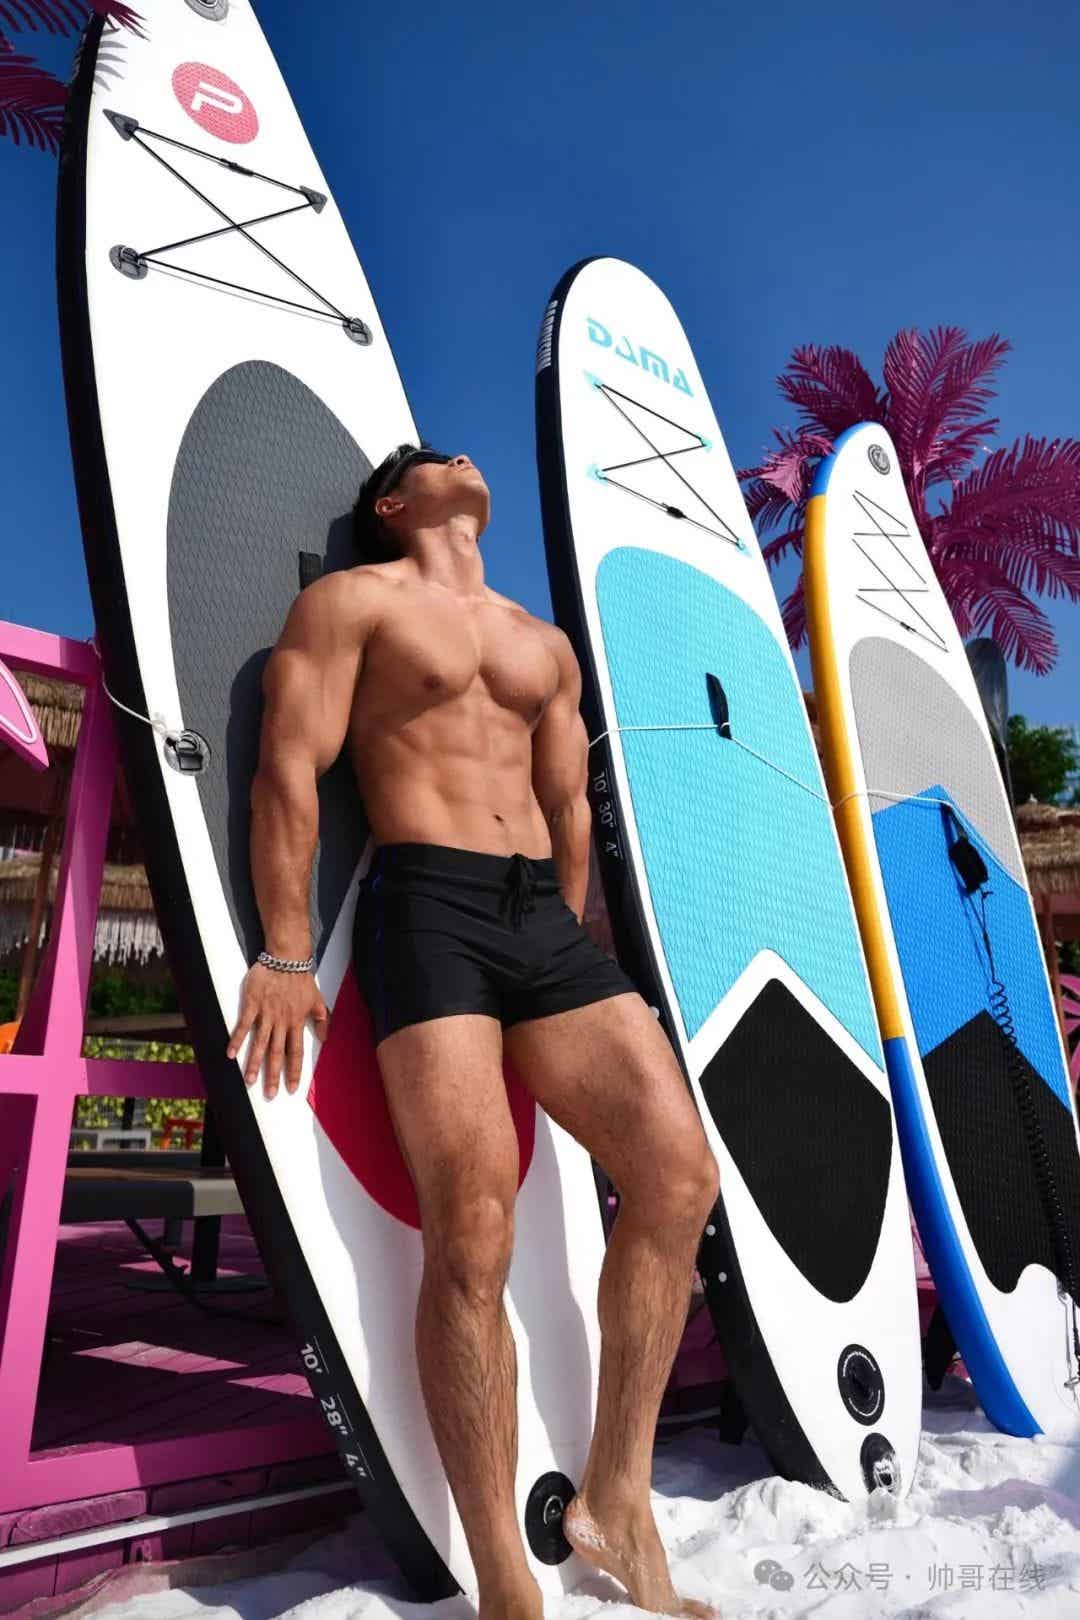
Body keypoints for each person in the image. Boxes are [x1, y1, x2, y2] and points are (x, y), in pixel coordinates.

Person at [226, 445, 720, 1620]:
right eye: (427, 461)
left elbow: (567, 806)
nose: (460, 456)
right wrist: (286, 950)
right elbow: (288, 767)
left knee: (678, 1176)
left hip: (541, 919)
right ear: (394, 505)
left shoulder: (543, 644)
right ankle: (504, 1572)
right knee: (473, 1226)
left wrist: (568, 946)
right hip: (427, 903)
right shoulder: (354, 603)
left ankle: (617, 1495)